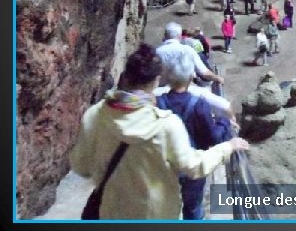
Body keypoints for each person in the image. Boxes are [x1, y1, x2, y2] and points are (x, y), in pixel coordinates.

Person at [70, 44, 249, 219]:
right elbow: (194, 166)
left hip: (112, 212)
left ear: (126, 75)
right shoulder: (166, 124)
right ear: (156, 80)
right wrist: (228, 147)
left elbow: (81, 166)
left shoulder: (95, 114)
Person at [155, 51, 234, 220]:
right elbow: (213, 138)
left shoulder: (157, 102)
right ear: (191, 77)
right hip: (192, 165)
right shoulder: (199, 105)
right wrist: (224, 122)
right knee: (193, 208)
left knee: (166, 209)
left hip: (165, 166)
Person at [155, 22, 230, 117]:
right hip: (186, 89)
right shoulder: (188, 50)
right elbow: (204, 72)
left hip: (162, 90)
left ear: (165, 35)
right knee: (221, 104)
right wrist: (217, 78)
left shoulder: (157, 52)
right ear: (179, 36)